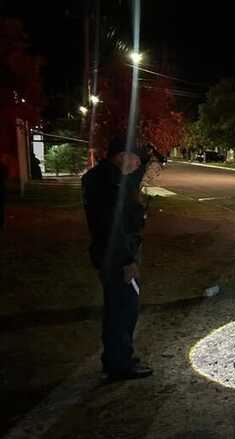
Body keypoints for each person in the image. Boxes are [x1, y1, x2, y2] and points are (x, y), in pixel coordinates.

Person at [82, 138, 152, 380]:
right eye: (135, 160)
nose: (137, 166)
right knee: (123, 310)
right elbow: (112, 226)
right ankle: (120, 364)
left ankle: (117, 360)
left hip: (109, 254)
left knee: (118, 308)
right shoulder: (109, 183)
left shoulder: (103, 177)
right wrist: (127, 261)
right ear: (122, 156)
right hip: (118, 257)